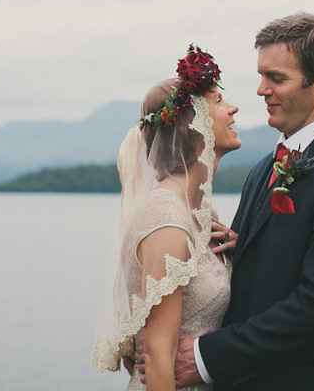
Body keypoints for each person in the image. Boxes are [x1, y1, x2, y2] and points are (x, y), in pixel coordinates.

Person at [167, 13, 314, 390]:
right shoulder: (263, 169)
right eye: (261, 76)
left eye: (277, 78)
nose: (260, 90)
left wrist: (208, 357)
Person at [92, 45, 242, 391]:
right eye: (219, 101)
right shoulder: (167, 218)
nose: (232, 109)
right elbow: (159, 356)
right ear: (195, 124)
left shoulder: (202, 212)